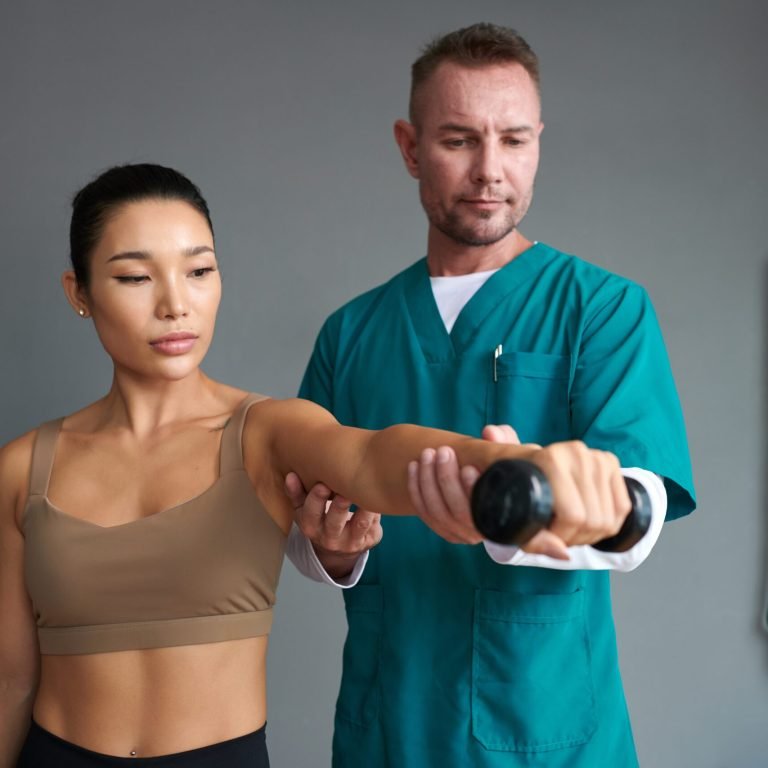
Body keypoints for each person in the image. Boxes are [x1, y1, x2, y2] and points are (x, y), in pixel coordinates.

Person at [0, 163, 633, 767]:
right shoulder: (23, 468)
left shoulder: (267, 432)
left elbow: (373, 454)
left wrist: (514, 462)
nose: (175, 304)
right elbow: (11, 680)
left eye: (198, 271)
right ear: (79, 293)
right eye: (136, 278)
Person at [290, 22, 696, 768]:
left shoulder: (601, 308)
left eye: (513, 140)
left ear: (538, 142)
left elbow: (638, 510)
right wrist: (331, 551)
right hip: (386, 726)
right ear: (411, 148)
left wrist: (528, 511)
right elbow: (303, 514)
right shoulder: (350, 333)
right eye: (458, 141)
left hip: (542, 725)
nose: (490, 171)